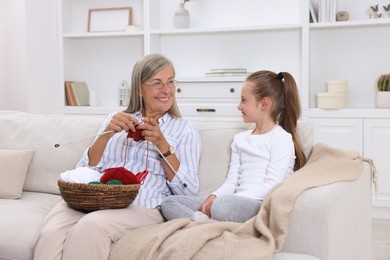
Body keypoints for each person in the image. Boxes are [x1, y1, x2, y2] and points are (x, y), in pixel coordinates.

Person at [33, 54, 202, 260]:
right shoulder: (115, 120)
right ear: (139, 89)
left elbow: (189, 190)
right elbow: (84, 172)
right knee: (50, 233)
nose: (166, 90)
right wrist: (106, 135)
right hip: (96, 197)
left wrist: (162, 145)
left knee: (91, 226)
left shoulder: (185, 129)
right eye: (157, 83)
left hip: (143, 205)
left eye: (170, 82)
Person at [160, 70, 306, 223]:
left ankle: (207, 220)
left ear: (264, 104)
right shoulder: (240, 139)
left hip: (258, 204)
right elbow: (232, 181)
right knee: (169, 202)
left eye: (244, 100)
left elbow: (272, 186)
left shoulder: (281, 138)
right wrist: (214, 196)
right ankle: (199, 222)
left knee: (222, 206)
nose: (239, 106)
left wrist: (228, 200)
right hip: (232, 202)